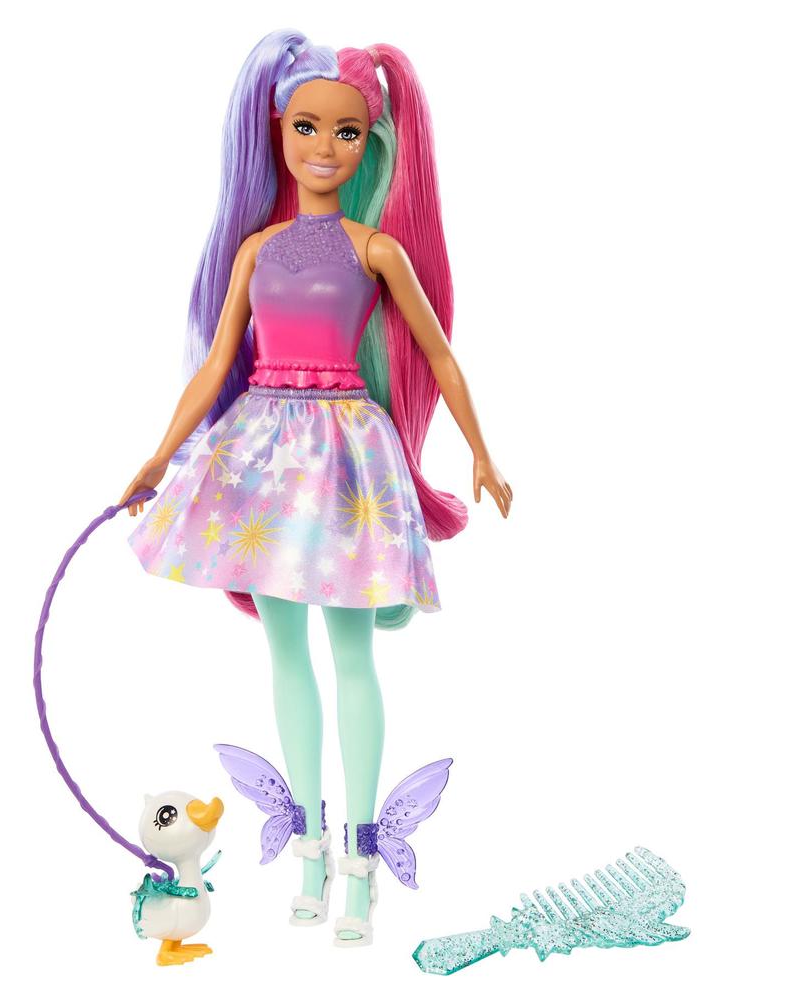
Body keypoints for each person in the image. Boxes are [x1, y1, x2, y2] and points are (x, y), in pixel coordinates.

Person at [118, 30, 512, 947]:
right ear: (277, 130)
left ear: (369, 144)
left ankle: (361, 866)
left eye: (346, 132)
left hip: (344, 461)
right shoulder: (256, 250)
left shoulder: (377, 250)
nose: (325, 147)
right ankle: (306, 852)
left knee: (352, 656)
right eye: (307, 127)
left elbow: (439, 355)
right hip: (261, 452)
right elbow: (217, 362)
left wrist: (481, 452)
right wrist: (159, 455)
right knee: (285, 655)